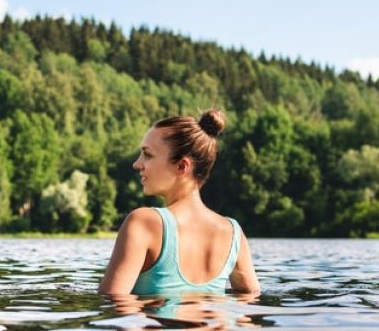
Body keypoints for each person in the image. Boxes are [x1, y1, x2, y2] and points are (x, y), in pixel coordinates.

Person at [99, 110, 260, 296]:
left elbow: (112, 302)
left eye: (148, 155)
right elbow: (249, 302)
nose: (137, 164)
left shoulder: (143, 222)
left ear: (182, 166)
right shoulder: (233, 232)